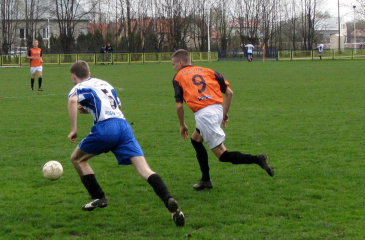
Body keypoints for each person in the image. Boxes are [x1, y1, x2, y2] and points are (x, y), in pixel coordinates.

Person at [67, 60, 184, 227]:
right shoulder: (104, 83)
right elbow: (118, 105)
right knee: (145, 170)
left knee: (77, 159)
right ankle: (169, 200)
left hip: (106, 127)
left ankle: (99, 197)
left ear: (73, 76)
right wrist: (89, 110)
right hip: (123, 126)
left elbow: (72, 102)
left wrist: (74, 129)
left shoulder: (78, 87)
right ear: (89, 73)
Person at [171, 49, 274, 191]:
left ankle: (257, 159)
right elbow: (229, 93)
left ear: (181, 63)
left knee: (223, 155)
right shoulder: (208, 70)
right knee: (196, 140)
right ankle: (206, 180)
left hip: (205, 115)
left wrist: (182, 125)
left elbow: (178, 107)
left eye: (174, 64)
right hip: (217, 109)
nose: (174, 67)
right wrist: (224, 114)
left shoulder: (178, 77)